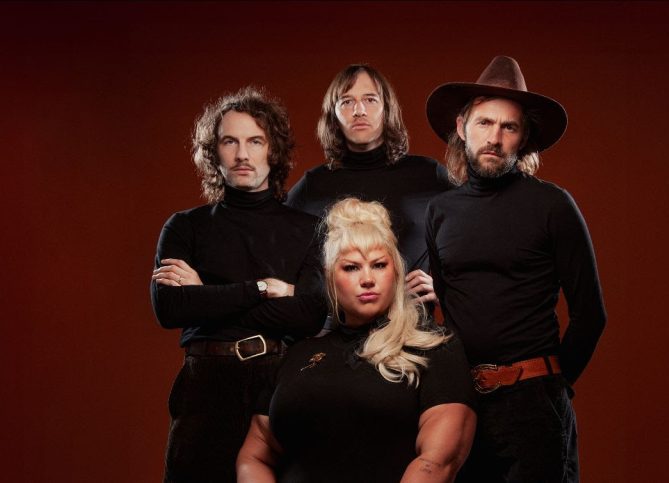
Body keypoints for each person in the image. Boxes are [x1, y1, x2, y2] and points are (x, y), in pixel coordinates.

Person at [424, 56, 607, 482]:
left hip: (533, 402)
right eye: (485, 123)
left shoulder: (552, 205)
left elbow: (591, 314)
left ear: (523, 138)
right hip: (462, 402)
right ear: (462, 127)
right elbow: (448, 306)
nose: (494, 138)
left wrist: (551, 385)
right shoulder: (440, 211)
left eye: (509, 127)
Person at [150, 86, 327, 483]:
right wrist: (262, 288)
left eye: (255, 141)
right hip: (206, 383)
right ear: (214, 152)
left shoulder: (308, 229)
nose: (242, 154)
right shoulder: (185, 226)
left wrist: (206, 295)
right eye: (230, 141)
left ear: (273, 150)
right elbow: (171, 309)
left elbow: (310, 314)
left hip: (280, 380)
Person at [237, 198, 476, 483]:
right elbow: (254, 456)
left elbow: (437, 462)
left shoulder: (434, 347)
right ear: (330, 278)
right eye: (351, 267)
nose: (367, 279)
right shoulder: (299, 352)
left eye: (379, 265)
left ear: (396, 272)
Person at [286, 63, 453, 306]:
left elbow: (475, 238)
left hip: (413, 322)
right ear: (333, 114)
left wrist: (447, 289)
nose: (359, 110)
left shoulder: (428, 175)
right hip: (338, 326)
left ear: (387, 109)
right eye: (347, 101)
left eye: (370, 100)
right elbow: (278, 253)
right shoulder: (314, 184)